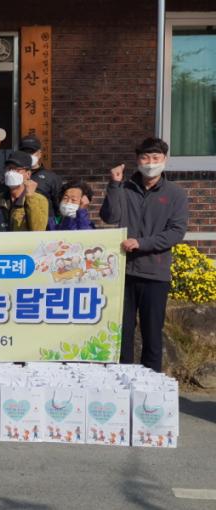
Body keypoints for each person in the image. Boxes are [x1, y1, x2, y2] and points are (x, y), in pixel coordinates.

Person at [100, 137, 188, 372]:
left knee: (152, 333)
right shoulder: (125, 187)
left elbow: (176, 232)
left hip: (155, 274)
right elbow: (109, 216)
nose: (150, 163)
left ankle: (152, 382)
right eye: (145, 158)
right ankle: (121, 378)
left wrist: (142, 243)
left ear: (164, 160)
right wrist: (114, 184)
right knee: (122, 331)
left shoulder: (175, 194)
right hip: (123, 272)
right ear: (137, 160)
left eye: (155, 158)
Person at [0, 133, 61, 216]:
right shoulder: (12, 174)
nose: (28, 155)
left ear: (40, 153)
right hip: (16, 217)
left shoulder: (50, 177)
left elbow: (58, 205)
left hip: (41, 219)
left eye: (31, 152)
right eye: (24, 152)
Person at [0, 151, 49, 231]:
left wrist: (30, 198)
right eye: (9, 169)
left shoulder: (39, 200)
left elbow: (38, 230)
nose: (11, 173)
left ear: (28, 174)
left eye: (17, 169)